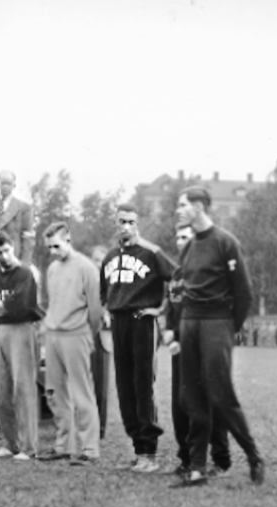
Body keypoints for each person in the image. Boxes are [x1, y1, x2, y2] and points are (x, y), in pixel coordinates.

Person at [171, 186, 265, 487]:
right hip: (190, 323)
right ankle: (197, 466)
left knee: (220, 395)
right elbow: (184, 290)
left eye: (184, 205)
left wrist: (228, 327)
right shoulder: (187, 247)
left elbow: (245, 292)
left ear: (200, 207)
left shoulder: (226, 242)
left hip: (216, 323)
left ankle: (253, 456)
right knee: (192, 396)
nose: (179, 210)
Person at [99, 204, 175, 472]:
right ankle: (137, 448)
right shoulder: (109, 257)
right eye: (121, 221)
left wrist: (161, 309)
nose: (126, 226)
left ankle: (149, 452)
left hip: (142, 322)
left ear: (137, 223)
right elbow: (103, 291)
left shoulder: (152, 253)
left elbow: (177, 279)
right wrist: (107, 311)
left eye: (131, 221)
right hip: (119, 324)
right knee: (124, 387)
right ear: (115, 223)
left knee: (143, 386)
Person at [163, 224, 232, 477]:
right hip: (179, 350)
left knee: (210, 402)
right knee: (181, 404)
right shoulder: (176, 274)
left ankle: (220, 459)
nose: (180, 241)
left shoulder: (210, 273)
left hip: (204, 347)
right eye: (178, 237)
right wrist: (169, 332)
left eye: (186, 237)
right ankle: (186, 458)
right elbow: (171, 309)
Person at [40, 222, 103, 466]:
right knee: (54, 393)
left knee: (82, 393)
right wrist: (48, 329)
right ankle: (63, 446)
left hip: (76, 336)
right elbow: (53, 302)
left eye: (57, 245)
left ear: (69, 239)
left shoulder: (86, 268)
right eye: (49, 247)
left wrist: (87, 334)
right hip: (53, 336)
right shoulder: (53, 268)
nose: (53, 251)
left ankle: (90, 449)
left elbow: (96, 311)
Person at [0, 231, 44, 460]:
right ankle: (11, 443)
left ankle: (29, 447)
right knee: (0, 389)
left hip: (22, 328)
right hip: (0, 331)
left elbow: (21, 305)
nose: (4, 256)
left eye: (6, 250)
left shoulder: (24, 273)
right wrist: (3, 304)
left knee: (23, 388)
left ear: (13, 247)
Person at [89, 245, 113, 438]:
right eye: (95, 260)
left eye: (102, 260)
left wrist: (107, 313)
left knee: (101, 382)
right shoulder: (87, 281)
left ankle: (100, 427)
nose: (98, 264)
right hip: (84, 334)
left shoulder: (114, 283)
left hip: (104, 336)